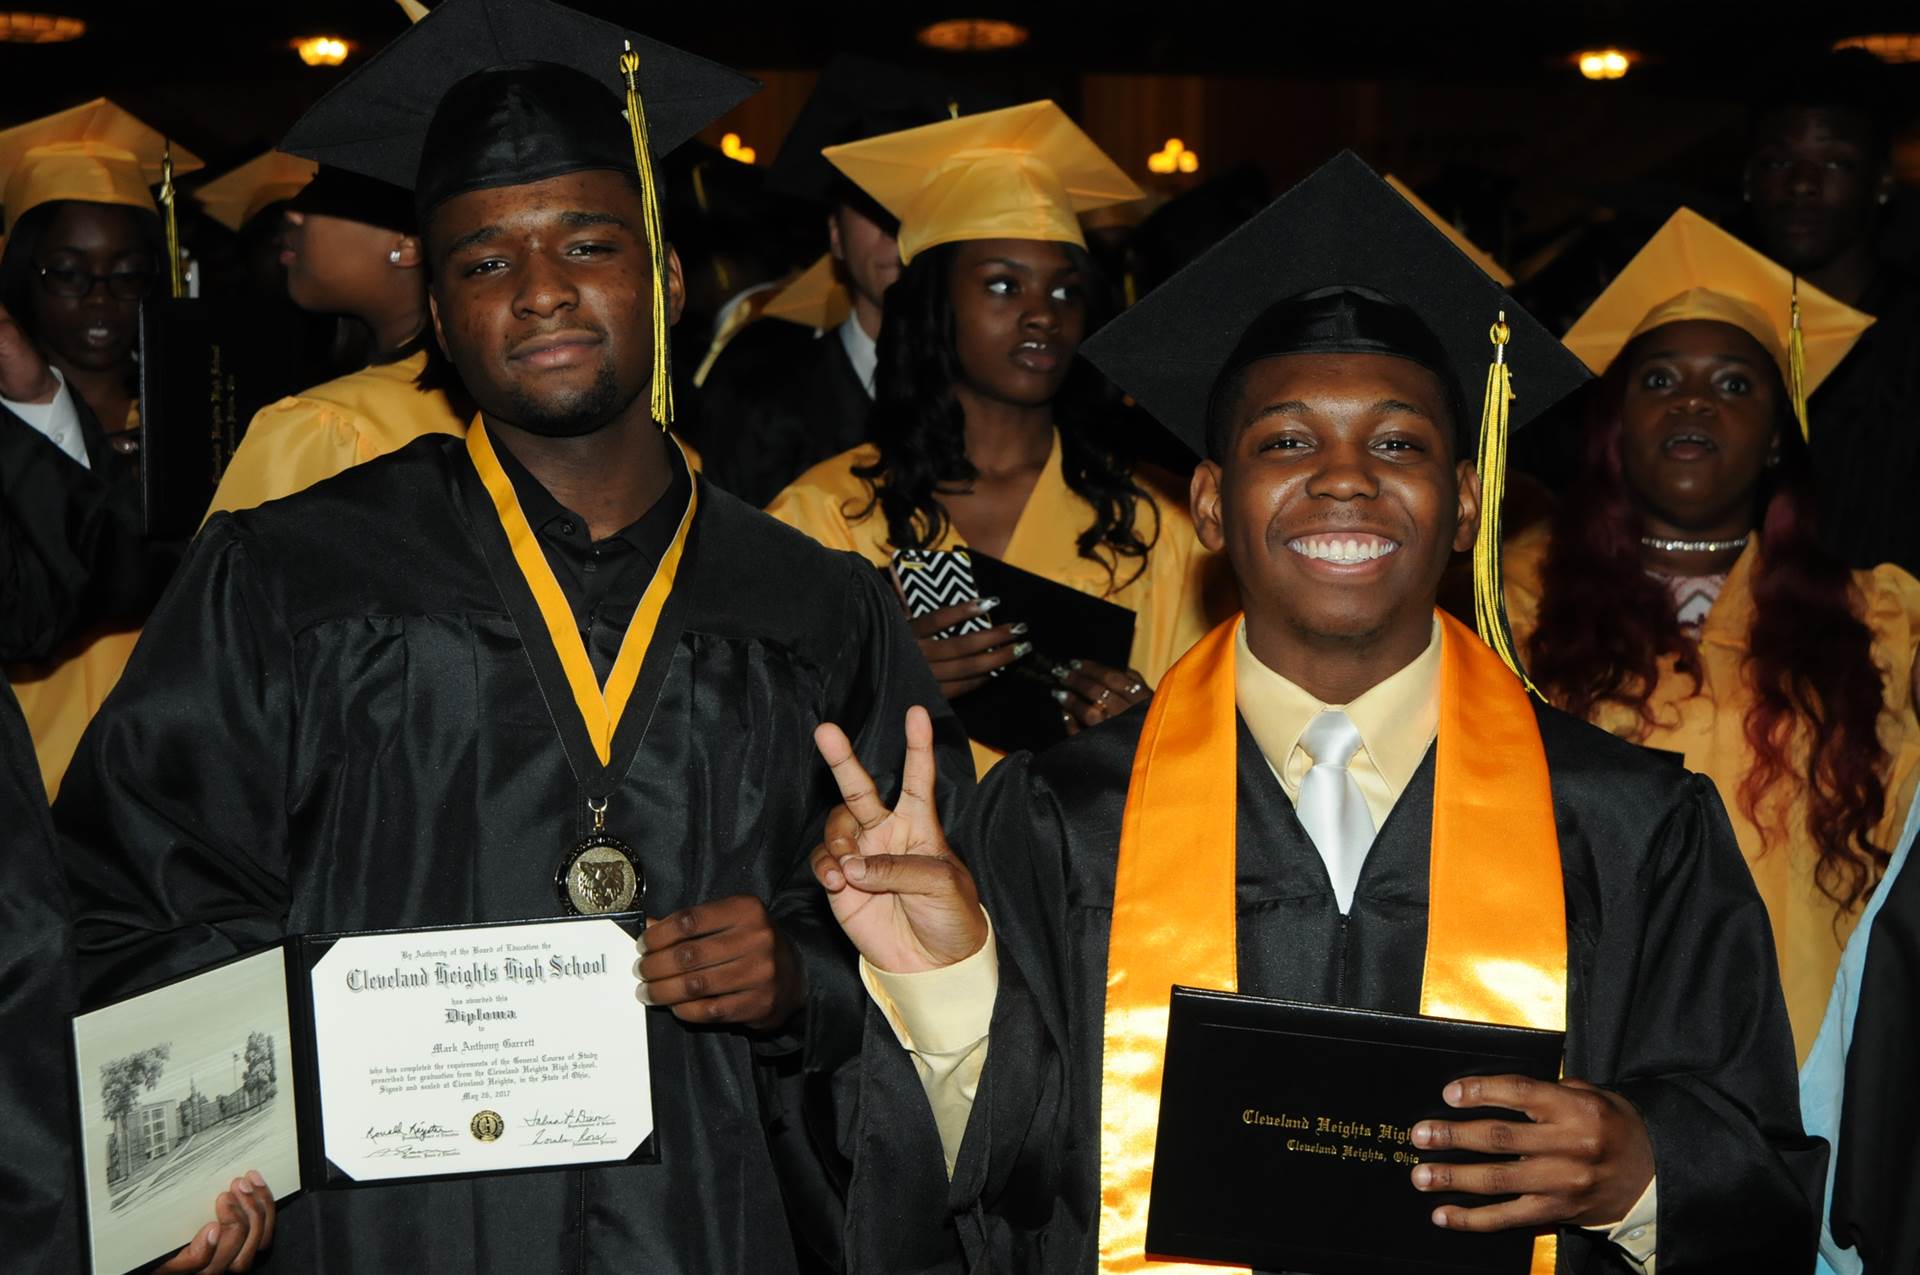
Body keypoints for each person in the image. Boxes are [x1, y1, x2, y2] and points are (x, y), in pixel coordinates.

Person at [56, 2, 963, 1271]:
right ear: (433, 303)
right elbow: (142, 890)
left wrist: (802, 975)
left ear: (664, 271)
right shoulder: (295, 575)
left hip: (706, 1224)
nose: (540, 291)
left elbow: (937, 911)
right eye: (485, 261)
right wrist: (189, 1169)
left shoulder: (813, 606)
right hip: (377, 1231)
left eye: (588, 243)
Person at [807, 153, 1821, 1273]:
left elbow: (1760, 1172)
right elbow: (1017, 1188)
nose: (1345, 477)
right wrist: (946, 992)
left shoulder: (1635, 825)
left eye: (1398, 443)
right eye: (1287, 442)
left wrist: (1642, 1171)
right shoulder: (1057, 815)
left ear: (1470, 502)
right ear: (1205, 503)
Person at [1506, 207, 1920, 1063]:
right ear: (1615, 421)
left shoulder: (1880, 623)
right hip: (1577, 1046)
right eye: (1659, 380)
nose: (1695, 399)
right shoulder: (1512, 609)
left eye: (1735, 384)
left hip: (1814, 1055)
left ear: (1777, 437)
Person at [768, 102, 1233, 775]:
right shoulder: (826, 516)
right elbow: (752, 742)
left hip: (1095, 871)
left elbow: (1221, 748)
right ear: (936, 303)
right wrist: (881, 689)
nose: (1042, 312)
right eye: (1003, 285)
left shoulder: (1162, 527)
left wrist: (1150, 729)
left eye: (1067, 291)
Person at [0, 99, 198, 797]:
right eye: (68, 272)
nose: (99, 299)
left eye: (125, 273)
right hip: (35, 762)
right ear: (25, 273)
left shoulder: (205, 411)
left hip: (176, 755)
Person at [696, 54, 988, 506]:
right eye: (875, 207)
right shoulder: (758, 396)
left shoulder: (996, 398)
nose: (899, 229)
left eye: (921, 204)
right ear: (835, 236)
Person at [1743, 48, 1920, 576]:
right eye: (1778, 162)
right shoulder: (1721, 336)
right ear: (1747, 180)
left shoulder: (1909, 339)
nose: (1802, 184)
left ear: (1882, 181)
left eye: (1835, 163)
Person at [204, 165, 467, 516]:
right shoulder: (489, 396)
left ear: (405, 245)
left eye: (323, 188)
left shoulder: (323, 428)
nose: (293, 212)